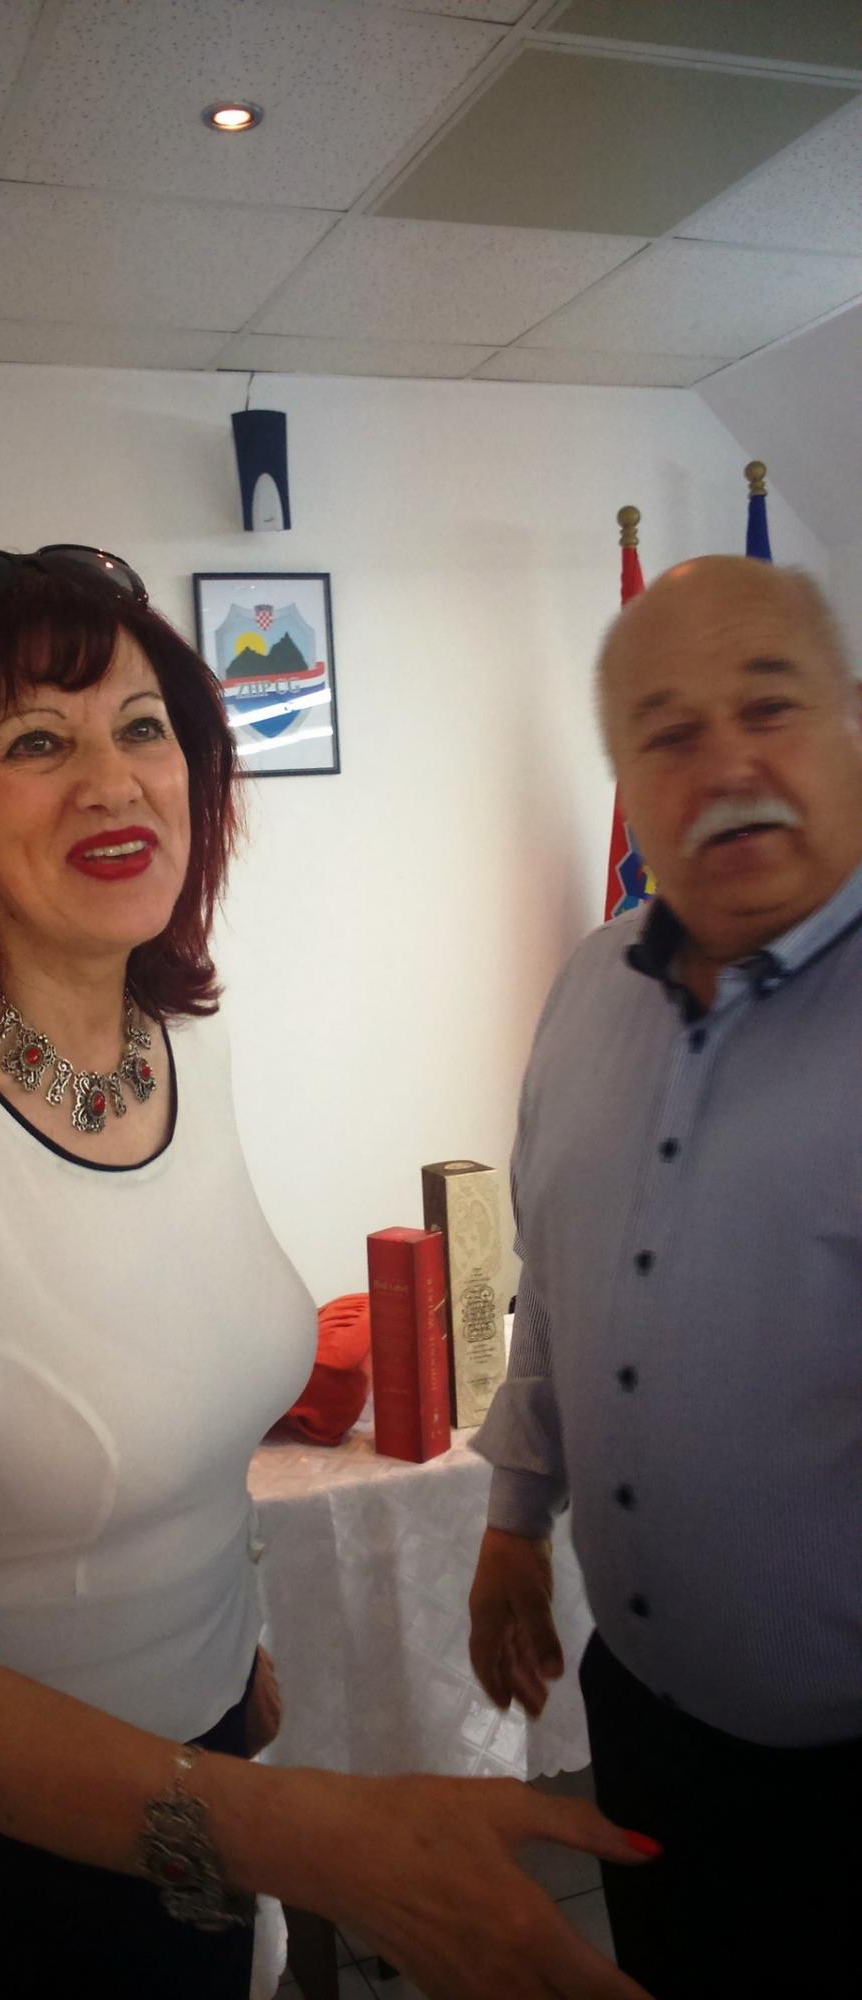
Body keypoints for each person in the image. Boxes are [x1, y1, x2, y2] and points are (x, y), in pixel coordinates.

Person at [0, 546, 657, 2000]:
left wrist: (225, 1667)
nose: (111, 781)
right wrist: (325, 1838)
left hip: (203, 1765)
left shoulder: (185, 1046)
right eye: (35, 742)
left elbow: (175, 1397)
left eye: (142, 726)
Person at [468, 556, 862, 1999]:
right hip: (641, 1724)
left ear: (852, 721)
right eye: (669, 732)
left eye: (769, 706)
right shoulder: (586, 990)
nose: (727, 765)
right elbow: (557, 1278)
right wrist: (515, 1519)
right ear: (625, 784)